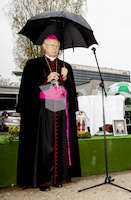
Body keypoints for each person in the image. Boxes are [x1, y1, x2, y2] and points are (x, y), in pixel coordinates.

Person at [17, 34, 81, 191]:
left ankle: (58, 177)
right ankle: (44, 180)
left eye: (57, 46)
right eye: (51, 45)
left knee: (60, 141)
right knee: (45, 144)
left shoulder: (65, 65)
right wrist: (46, 78)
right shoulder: (33, 64)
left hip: (59, 107)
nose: (55, 48)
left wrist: (66, 77)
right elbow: (27, 88)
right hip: (41, 110)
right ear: (44, 46)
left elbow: (71, 91)